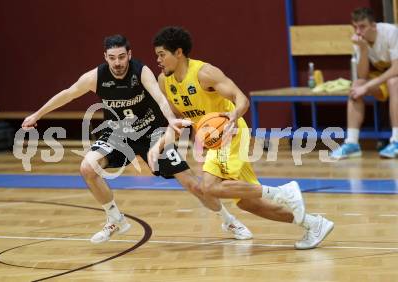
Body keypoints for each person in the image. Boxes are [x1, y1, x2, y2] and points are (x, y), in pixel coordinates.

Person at [21, 34, 253, 244]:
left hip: (151, 133)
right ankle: (115, 219)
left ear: (129, 55)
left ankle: (228, 219)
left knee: (192, 184)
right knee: (87, 168)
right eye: (112, 58)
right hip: (117, 133)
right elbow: (67, 94)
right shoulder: (96, 77)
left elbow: (160, 98)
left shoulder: (141, 71)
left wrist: (171, 119)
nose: (118, 62)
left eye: (122, 56)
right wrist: (36, 115)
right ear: (105, 57)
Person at [149, 26, 334, 249]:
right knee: (249, 203)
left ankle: (283, 192)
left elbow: (242, 99)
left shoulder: (204, 73)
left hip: (230, 132)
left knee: (209, 188)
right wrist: (160, 143)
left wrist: (234, 115)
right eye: (157, 55)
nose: (158, 60)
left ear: (178, 53)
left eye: (162, 54)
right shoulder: (164, 81)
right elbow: (176, 121)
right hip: (212, 139)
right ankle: (314, 224)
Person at [331, 7, 398, 159]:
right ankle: (352, 143)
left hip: (394, 74)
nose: (358, 31)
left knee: (394, 82)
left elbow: (396, 69)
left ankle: (396, 140)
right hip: (384, 75)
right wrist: (363, 48)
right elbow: (362, 74)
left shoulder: (390, 32)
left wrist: (367, 86)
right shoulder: (359, 40)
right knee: (356, 86)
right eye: (355, 27)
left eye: (362, 26)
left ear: (373, 25)